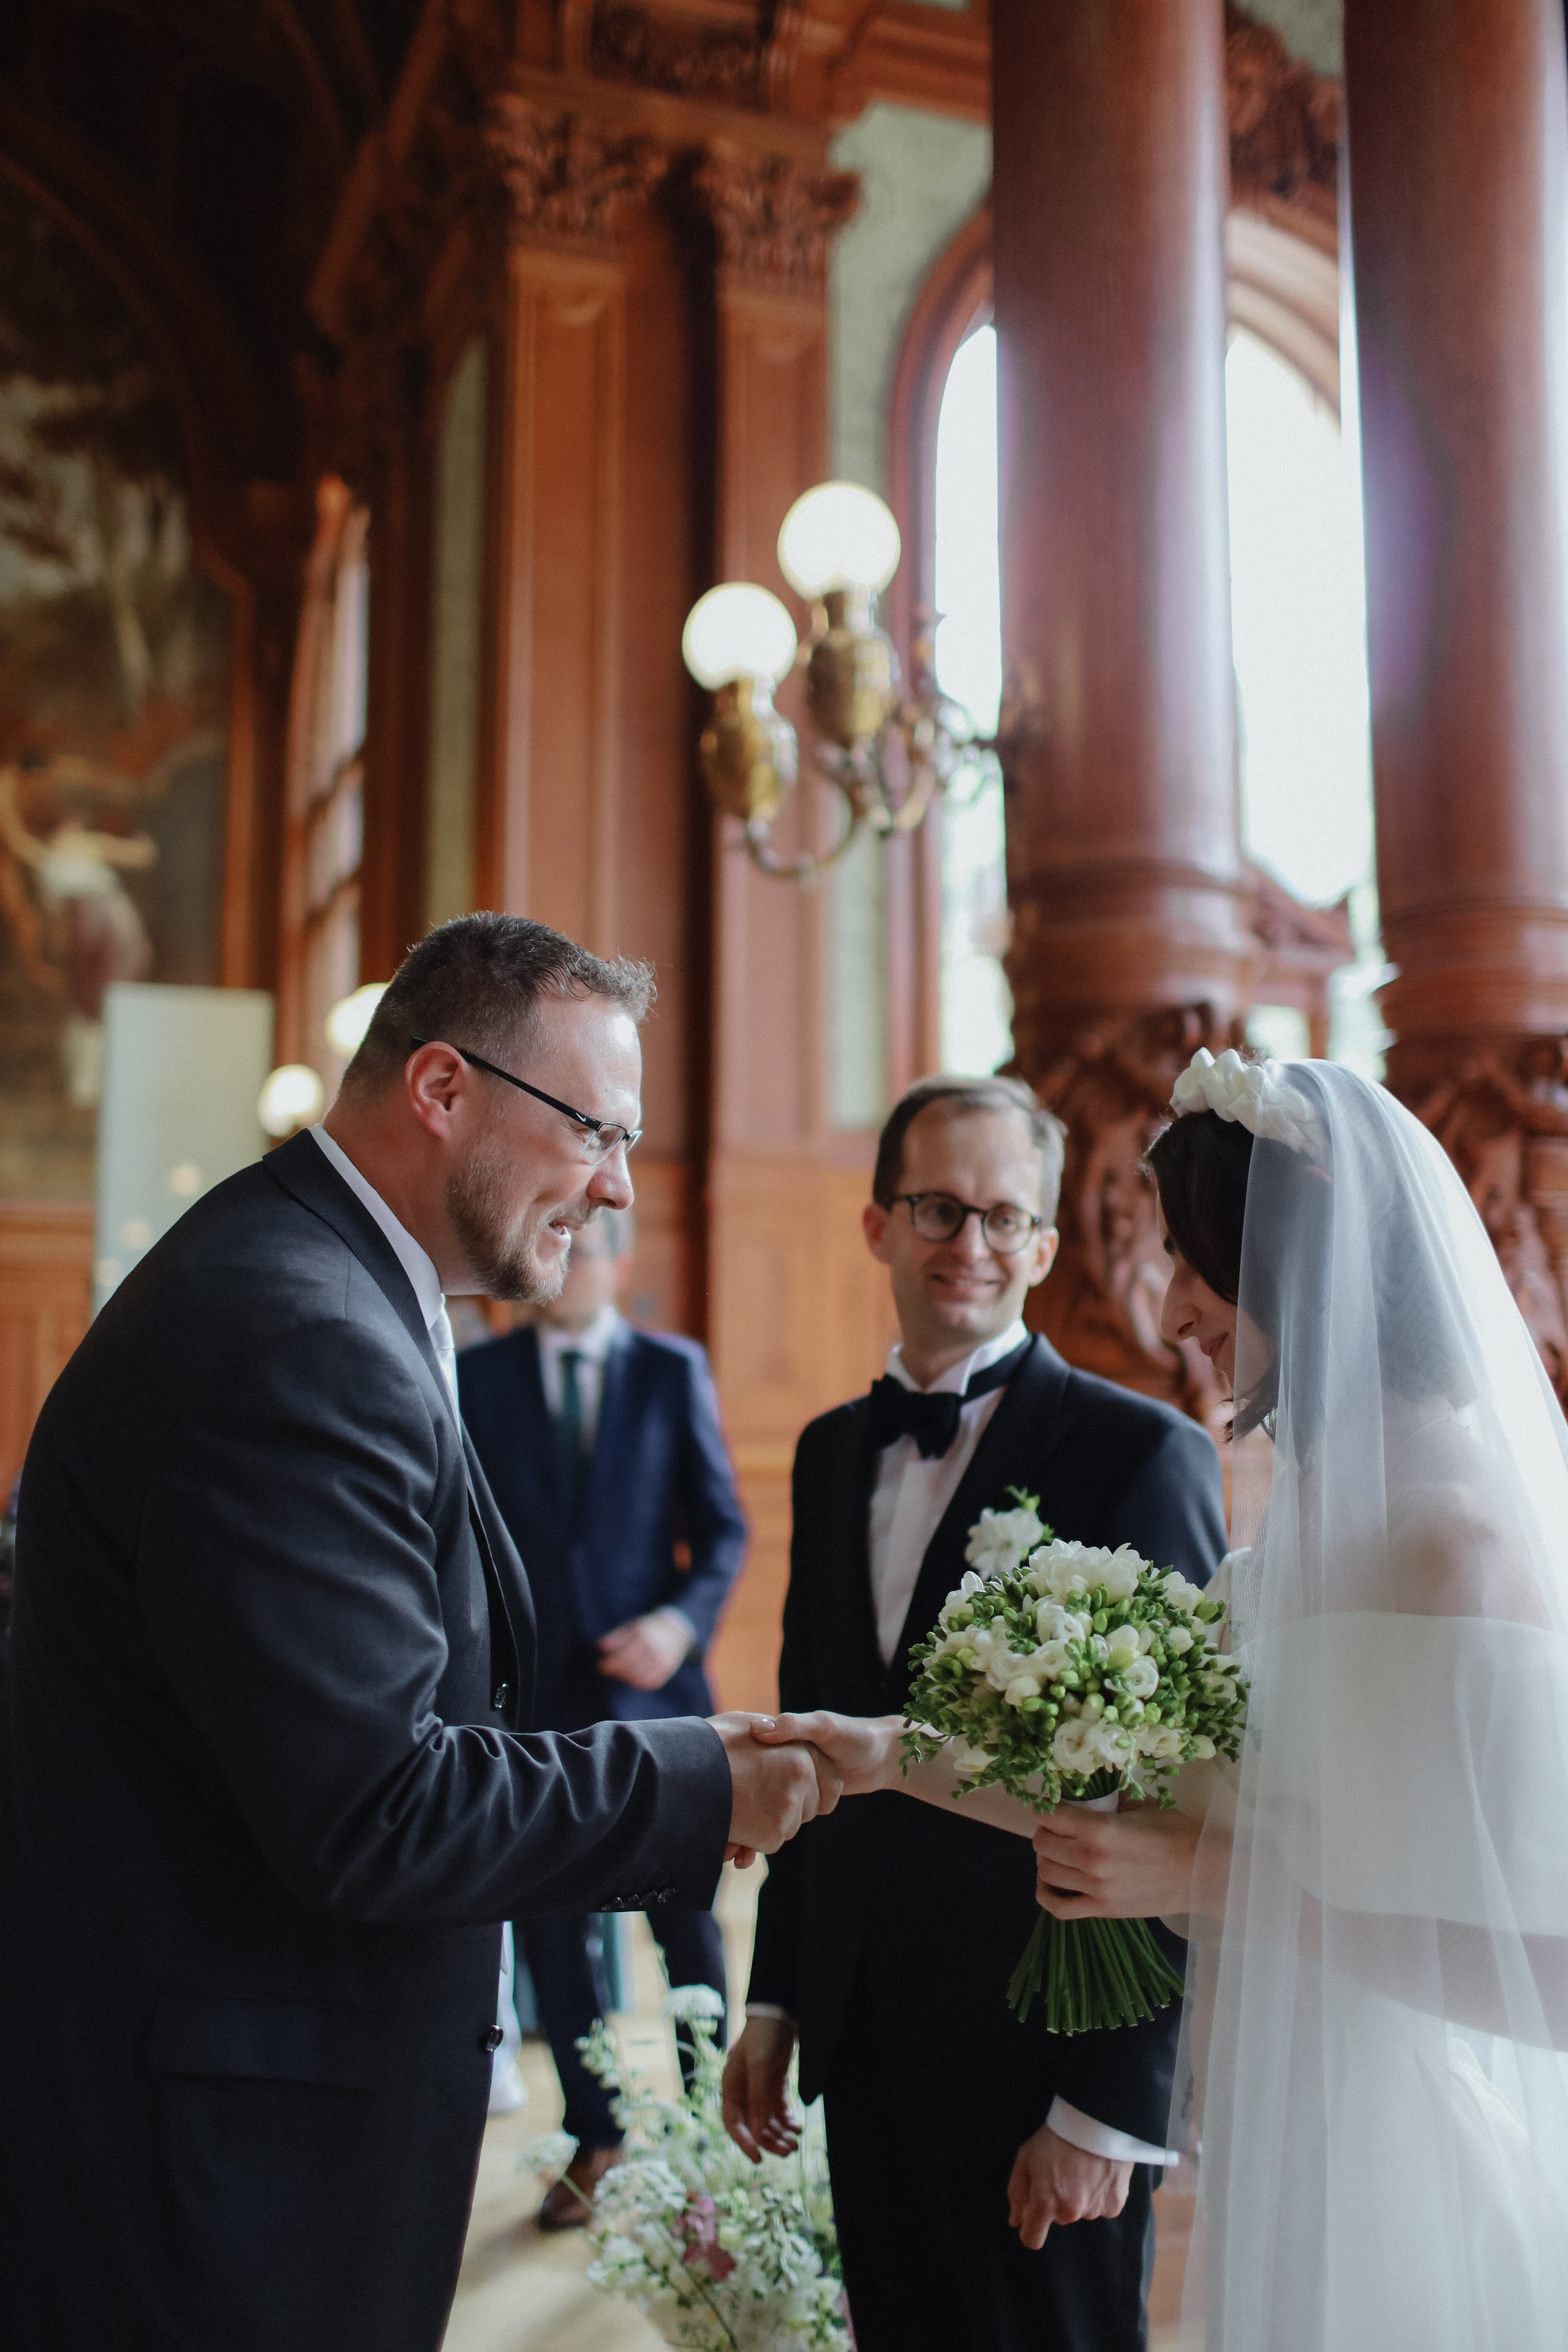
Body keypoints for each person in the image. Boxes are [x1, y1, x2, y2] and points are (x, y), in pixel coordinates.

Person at [0, 912, 834, 2352]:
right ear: (441, 1091)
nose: (621, 1188)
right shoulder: (299, 1329)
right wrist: (709, 1776)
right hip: (217, 2169)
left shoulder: (323, 1281)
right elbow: (375, 1803)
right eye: (596, 1130)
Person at [785, 1051, 1568, 2350]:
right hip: (1279, 2128)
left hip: (1401, 2162)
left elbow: (1544, 1974)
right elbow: (1113, 1782)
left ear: (1298, 1263)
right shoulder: (1283, 1556)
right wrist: (857, 1750)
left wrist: (1218, 1882)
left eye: (1190, 1262)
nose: (1166, 1307)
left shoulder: (1460, 1551)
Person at [722, 1074, 1227, 2352]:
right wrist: (778, 1997)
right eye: (938, 1209)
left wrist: (1107, 2110)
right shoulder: (835, 1450)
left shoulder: (1141, 1453)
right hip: (861, 2029)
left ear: (1046, 1247)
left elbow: (1177, 1790)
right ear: (878, 1226)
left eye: (1004, 1219)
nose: (970, 1246)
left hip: (1042, 2047)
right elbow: (808, 1736)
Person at [460, 1207, 747, 2223]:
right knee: (551, 1928)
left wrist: (679, 1625)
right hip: (533, 1706)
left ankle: (709, 2139)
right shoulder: (482, 1375)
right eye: (559, 1246)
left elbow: (722, 1531)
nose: (573, 1263)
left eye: (590, 1249)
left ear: (621, 1264)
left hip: (656, 1699)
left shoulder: (673, 1372)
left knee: (688, 1931)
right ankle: (597, 2137)